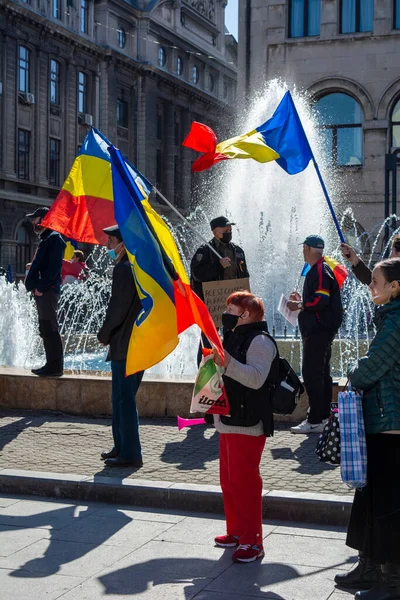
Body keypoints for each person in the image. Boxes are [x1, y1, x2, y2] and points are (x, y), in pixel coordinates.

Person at [334, 258, 400, 599]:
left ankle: (391, 581)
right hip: (383, 421)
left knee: (387, 503)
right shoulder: (390, 316)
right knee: (372, 500)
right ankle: (370, 567)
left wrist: (351, 369)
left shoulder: (397, 322)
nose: (370, 287)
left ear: (394, 287)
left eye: (375, 281)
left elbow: (370, 369)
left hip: (391, 424)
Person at [212, 291, 279, 563]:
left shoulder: (260, 341)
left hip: (248, 422)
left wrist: (225, 361)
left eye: (231, 308)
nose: (226, 312)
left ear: (247, 314)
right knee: (229, 481)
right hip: (230, 420)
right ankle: (237, 532)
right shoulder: (235, 336)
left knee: (246, 484)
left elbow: (256, 378)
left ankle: (253, 542)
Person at [97, 225, 144, 468]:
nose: (107, 246)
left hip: (125, 344)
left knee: (124, 400)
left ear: (122, 244)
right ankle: (121, 446)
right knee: (121, 399)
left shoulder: (124, 269)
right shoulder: (136, 268)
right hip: (134, 343)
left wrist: (104, 334)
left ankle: (130, 453)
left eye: (110, 240)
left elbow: (117, 309)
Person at [287, 235, 343, 434]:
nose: (302, 251)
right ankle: (322, 416)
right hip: (321, 330)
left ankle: (315, 419)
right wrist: (303, 300)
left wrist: (300, 304)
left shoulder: (319, 269)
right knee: (321, 374)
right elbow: (320, 299)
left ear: (309, 249)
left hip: (318, 331)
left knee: (312, 374)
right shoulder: (320, 268)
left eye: (304, 248)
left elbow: (321, 300)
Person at [190, 216, 249, 364]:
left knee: (233, 337)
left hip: (234, 305)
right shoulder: (205, 251)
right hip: (212, 305)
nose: (230, 232)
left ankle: (229, 370)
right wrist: (217, 265)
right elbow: (197, 274)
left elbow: (244, 275)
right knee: (209, 338)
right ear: (216, 231)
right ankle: (205, 370)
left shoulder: (237, 251)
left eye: (230, 229)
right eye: (226, 229)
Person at [25, 207, 65, 377]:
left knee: (50, 327)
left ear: (44, 219)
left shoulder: (55, 239)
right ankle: (51, 364)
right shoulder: (47, 238)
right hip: (43, 291)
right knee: (45, 327)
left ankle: (55, 367)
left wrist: (41, 287)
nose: (34, 223)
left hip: (47, 291)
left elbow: (54, 267)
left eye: (36, 219)